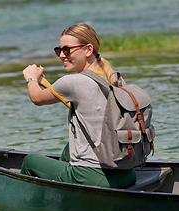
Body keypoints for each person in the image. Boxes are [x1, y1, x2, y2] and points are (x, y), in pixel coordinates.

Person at [20, 23, 136, 188]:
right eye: (58, 50)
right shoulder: (114, 78)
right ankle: (60, 192)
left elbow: (36, 98)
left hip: (92, 177)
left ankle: (32, 206)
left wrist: (31, 78)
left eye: (66, 50)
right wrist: (44, 82)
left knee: (30, 161)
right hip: (127, 175)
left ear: (88, 49)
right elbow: (88, 110)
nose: (61, 55)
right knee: (70, 149)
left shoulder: (73, 82)